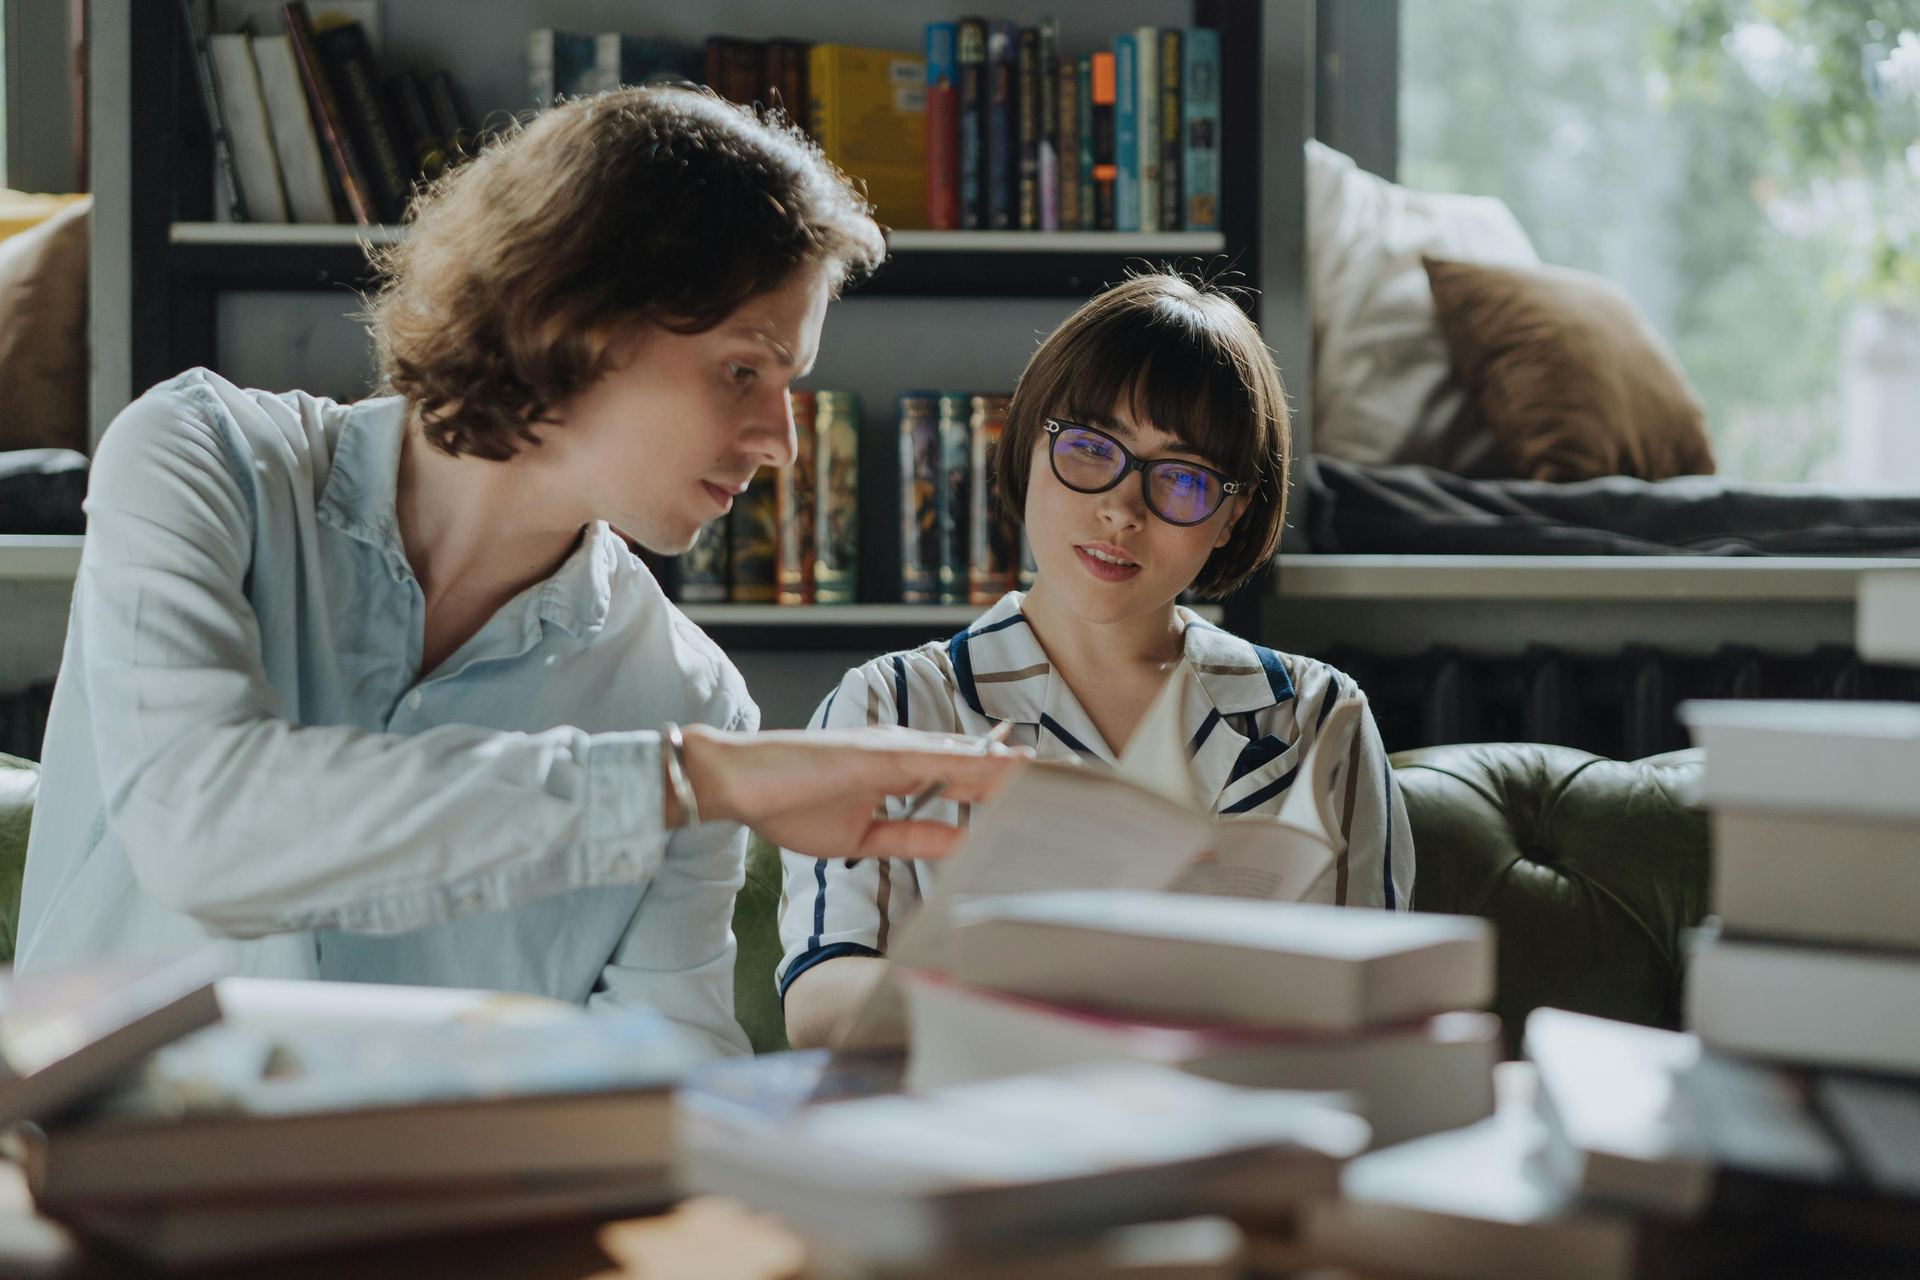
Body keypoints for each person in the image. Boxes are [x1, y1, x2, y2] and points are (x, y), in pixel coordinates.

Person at [15, 88, 1020, 1058]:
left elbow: (672, 1066)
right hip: (96, 1197)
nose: (782, 443)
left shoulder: (694, 695)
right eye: (742, 369)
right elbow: (204, 830)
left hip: (455, 1219)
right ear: (577, 316)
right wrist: (685, 780)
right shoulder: (204, 457)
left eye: (790, 382)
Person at [778, 272, 1416, 1049]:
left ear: (1231, 515)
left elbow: (1372, 1007)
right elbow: (819, 1004)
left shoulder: (1319, 714)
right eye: (1089, 449)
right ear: (1029, 442)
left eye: (1181, 478)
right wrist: (1056, 989)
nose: (1121, 509)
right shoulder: (894, 703)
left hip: (1231, 1137)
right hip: (980, 1135)